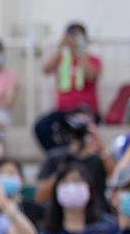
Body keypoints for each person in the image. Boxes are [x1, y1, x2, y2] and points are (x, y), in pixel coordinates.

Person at [34, 22, 103, 152]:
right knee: (41, 127)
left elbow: (90, 75)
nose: (74, 39)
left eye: (78, 36)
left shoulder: (93, 59)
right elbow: (46, 70)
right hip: (64, 111)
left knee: (80, 131)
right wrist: (61, 47)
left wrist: (81, 51)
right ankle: (59, 155)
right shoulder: (62, 59)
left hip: (86, 111)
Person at [35, 112, 113, 208]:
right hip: (62, 214)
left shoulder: (98, 159)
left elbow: (115, 176)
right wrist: (67, 161)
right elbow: (40, 196)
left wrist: (100, 147)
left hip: (97, 213)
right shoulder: (56, 157)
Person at [39, 162, 104, 234]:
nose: (72, 187)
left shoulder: (105, 227)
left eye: (77, 181)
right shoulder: (49, 233)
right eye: (65, 182)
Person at [0, 159, 45, 228]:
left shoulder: (33, 209)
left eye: (11, 173)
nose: (5, 176)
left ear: (22, 180)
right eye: (0, 173)